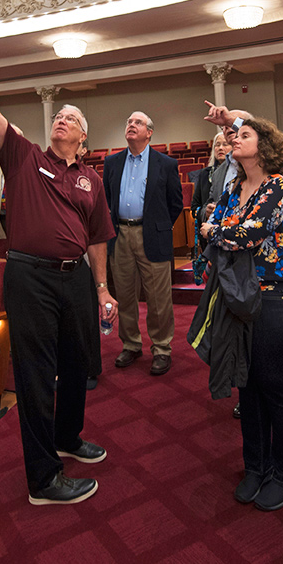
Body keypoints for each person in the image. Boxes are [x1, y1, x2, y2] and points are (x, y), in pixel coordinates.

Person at [0, 17, 119, 506]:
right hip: (29, 276)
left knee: (79, 364)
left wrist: (102, 289)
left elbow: (97, 240)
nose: (61, 120)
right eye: (58, 116)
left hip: (75, 280)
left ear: (84, 138)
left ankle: (67, 437)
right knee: (34, 373)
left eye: (71, 118)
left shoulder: (92, 180)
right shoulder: (26, 157)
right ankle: (43, 480)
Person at [198, 106, 283, 512]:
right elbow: (208, 225)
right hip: (239, 298)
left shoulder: (279, 186)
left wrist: (214, 229)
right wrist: (213, 228)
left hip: (279, 298)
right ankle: (256, 467)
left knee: (279, 390)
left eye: (243, 135)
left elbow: (244, 233)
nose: (233, 138)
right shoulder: (232, 187)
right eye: (232, 136)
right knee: (249, 386)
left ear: (264, 148)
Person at [103, 111, 183, 376]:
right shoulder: (112, 163)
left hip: (152, 236)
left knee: (159, 299)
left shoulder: (166, 164)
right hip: (120, 236)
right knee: (125, 295)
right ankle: (131, 344)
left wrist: (157, 226)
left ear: (149, 132)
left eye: (137, 122)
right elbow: (106, 200)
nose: (131, 125)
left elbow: (175, 204)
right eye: (128, 122)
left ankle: (161, 348)